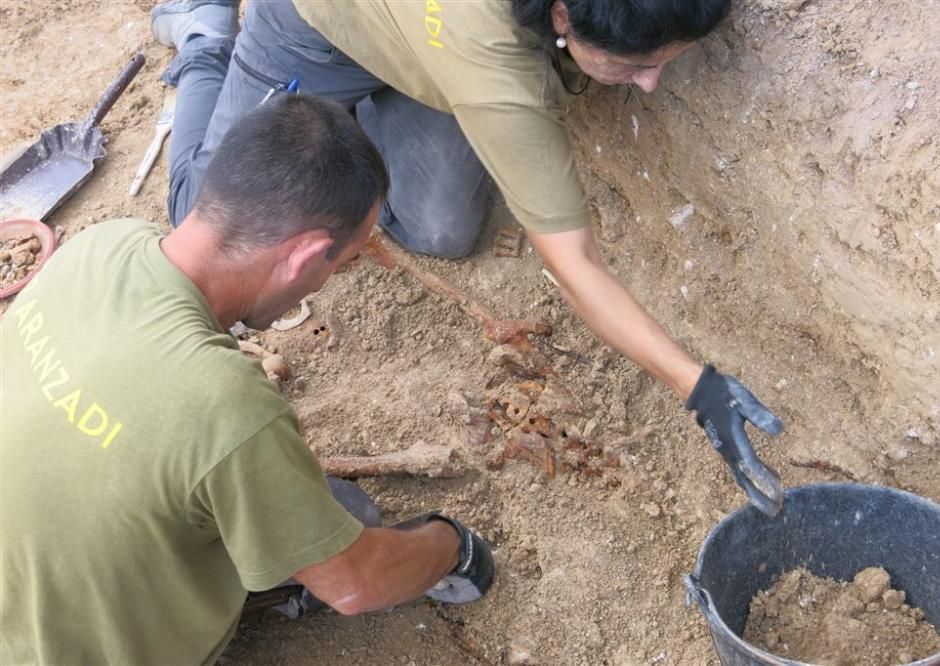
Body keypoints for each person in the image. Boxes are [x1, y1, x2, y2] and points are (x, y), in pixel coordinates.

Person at [151, 0, 785, 514]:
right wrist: (696, 385)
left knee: (441, 227)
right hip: (315, 29)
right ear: (562, 16)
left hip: (428, 40)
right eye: (633, 64)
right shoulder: (500, 74)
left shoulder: (498, 70)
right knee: (209, 216)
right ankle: (205, 35)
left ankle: (379, 96)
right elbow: (576, 264)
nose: (651, 83)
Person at [0, 95, 493, 665]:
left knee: (331, 510)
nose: (333, 277)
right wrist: (448, 542)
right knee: (351, 533)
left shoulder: (102, 244)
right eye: (344, 261)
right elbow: (357, 586)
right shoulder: (226, 406)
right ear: (304, 255)